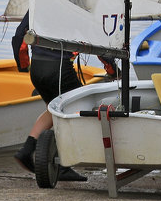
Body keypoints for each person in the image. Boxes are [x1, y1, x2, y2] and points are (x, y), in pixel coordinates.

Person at [10, 12, 108, 183]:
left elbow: (19, 35)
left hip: (37, 68)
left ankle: (26, 150)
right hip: (58, 69)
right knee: (79, 109)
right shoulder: (73, 5)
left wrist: (23, 66)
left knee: (52, 109)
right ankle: (63, 165)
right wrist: (112, 68)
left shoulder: (39, 1)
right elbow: (96, 37)